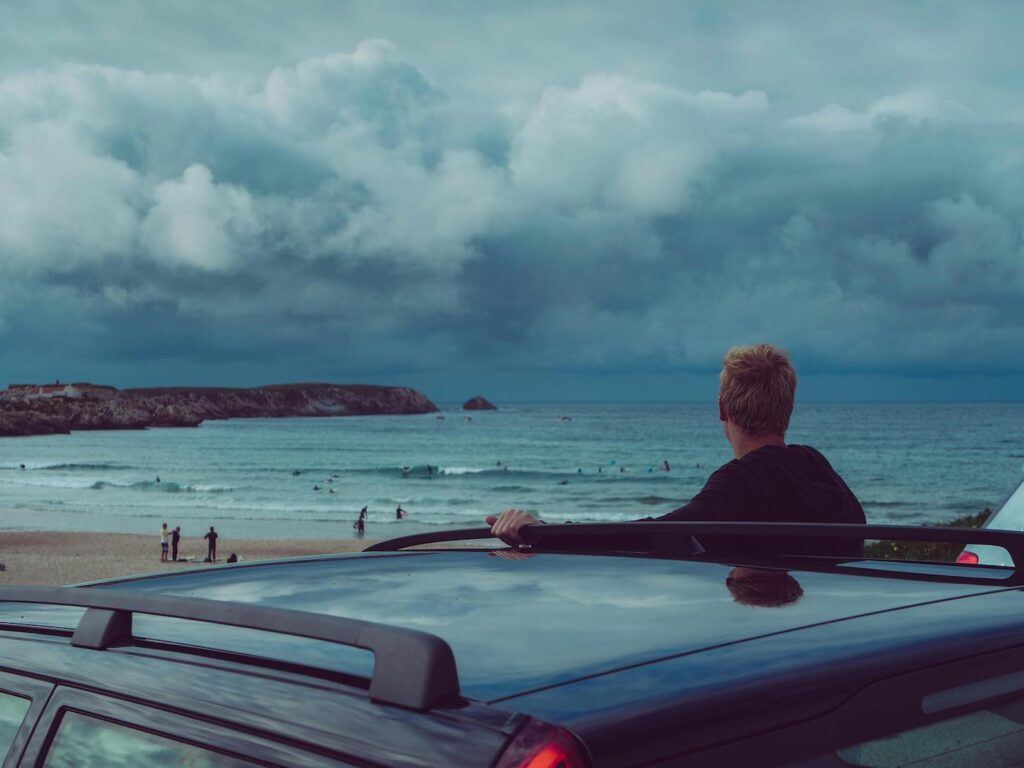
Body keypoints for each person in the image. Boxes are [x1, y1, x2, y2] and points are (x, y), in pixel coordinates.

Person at [486, 344, 866, 557]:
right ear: (789, 408)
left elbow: (659, 535)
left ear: (722, 409)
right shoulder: (817, 468)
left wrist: (544, 533)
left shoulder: (741, 481)